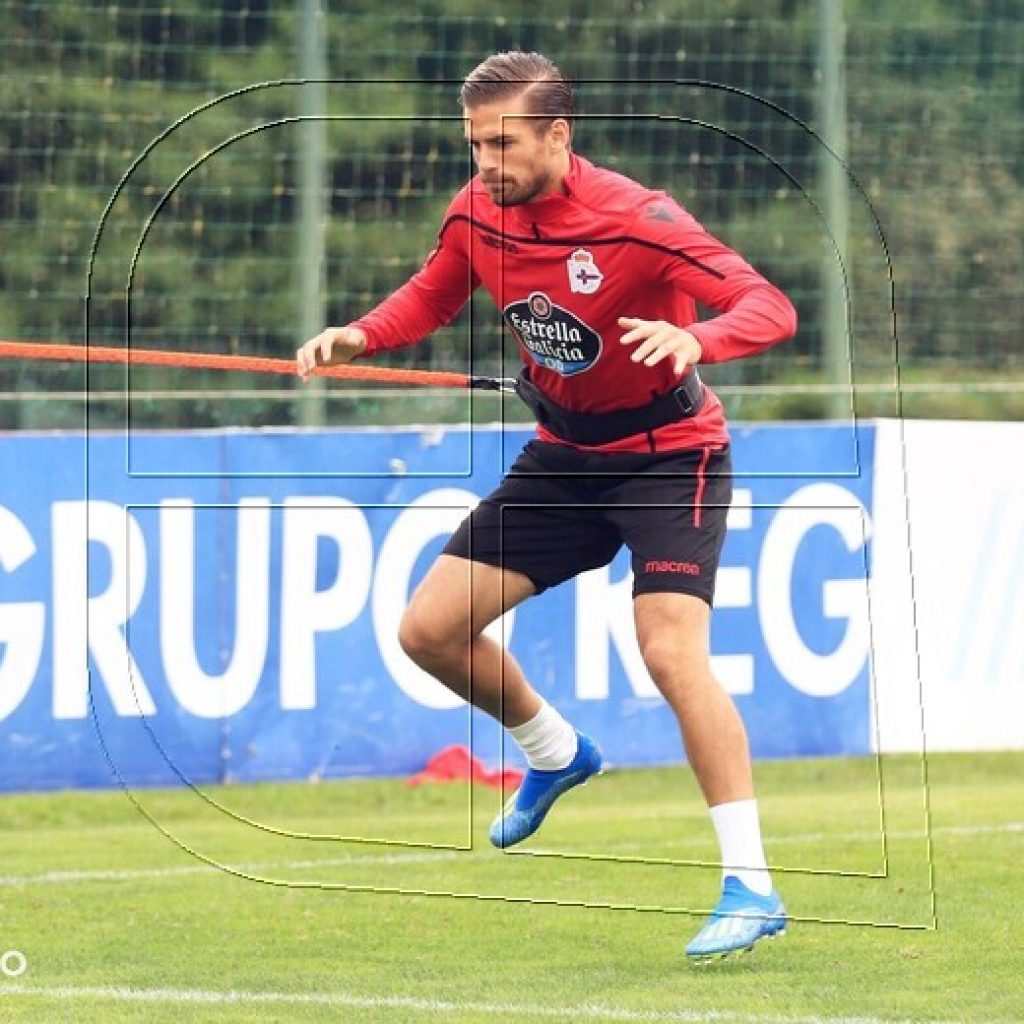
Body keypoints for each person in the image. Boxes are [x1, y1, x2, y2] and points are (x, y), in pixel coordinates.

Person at [297, 51, 796, 961]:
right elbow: (432, 294)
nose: (487, 161)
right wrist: (361, 334)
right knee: (427, 631)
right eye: (475, 143)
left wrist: (696, 336)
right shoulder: (475, 211)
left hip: (668, 458)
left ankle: (751, 885)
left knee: (669, 651)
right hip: (564, 458)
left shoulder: (639, 220)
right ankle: (556, 751)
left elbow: (769, 306)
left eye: (504, 143)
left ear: (557, 136)